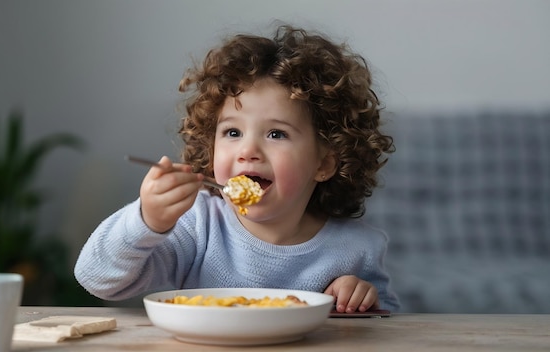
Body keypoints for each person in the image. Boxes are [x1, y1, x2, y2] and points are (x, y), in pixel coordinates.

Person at [74, 24, 400, 313]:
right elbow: (97, 278)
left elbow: (388, 322)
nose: (248, 151)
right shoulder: (196, 226)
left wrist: (361, 301)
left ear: (325, 163)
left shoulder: (357, 248)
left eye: (276, 134)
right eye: (232, 132)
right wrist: (148, 220)